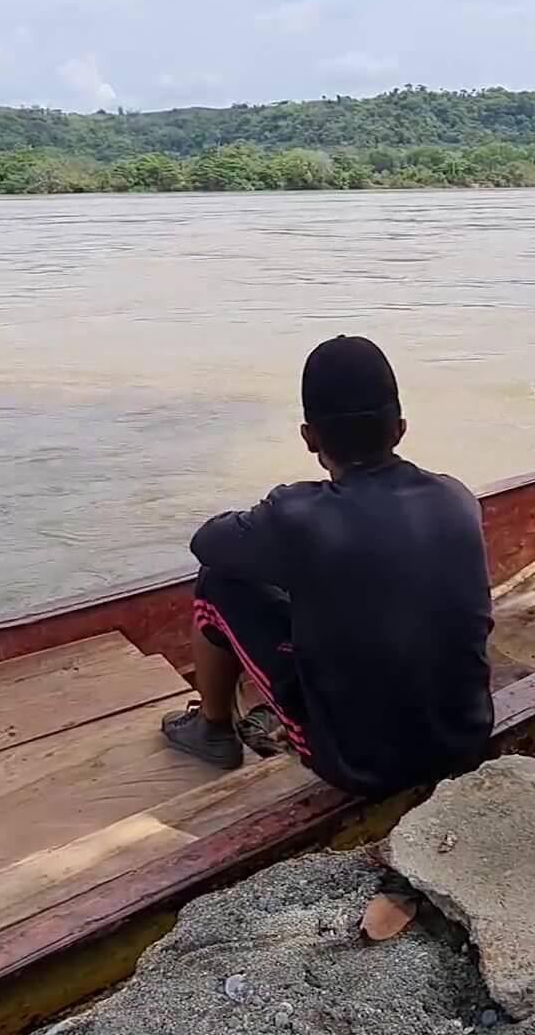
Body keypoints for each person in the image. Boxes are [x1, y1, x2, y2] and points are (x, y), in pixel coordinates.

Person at [161, 335, 495, 797]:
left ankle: (213, 728)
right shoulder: (456, 497)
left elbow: (207, 543)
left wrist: (276, 511)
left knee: (218, 582)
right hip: (466, 739)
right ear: (400, 429)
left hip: (358, 765)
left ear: (308, 437)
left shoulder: (296, 515)